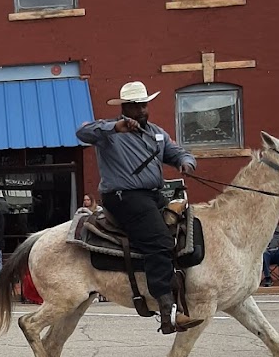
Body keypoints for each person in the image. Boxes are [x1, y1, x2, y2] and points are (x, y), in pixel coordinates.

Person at [76, 80, 199, 334]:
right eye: (135, 106)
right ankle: (169, 313)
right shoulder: (108, 134)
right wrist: (115, 128)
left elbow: (177, 152)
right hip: (124, 197)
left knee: (186, 225)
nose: (141, 110)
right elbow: (83, 133)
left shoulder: (156, 132)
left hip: (154, 195)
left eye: (143, 104)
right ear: (125, 108)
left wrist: (186, 162)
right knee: (159, 242)